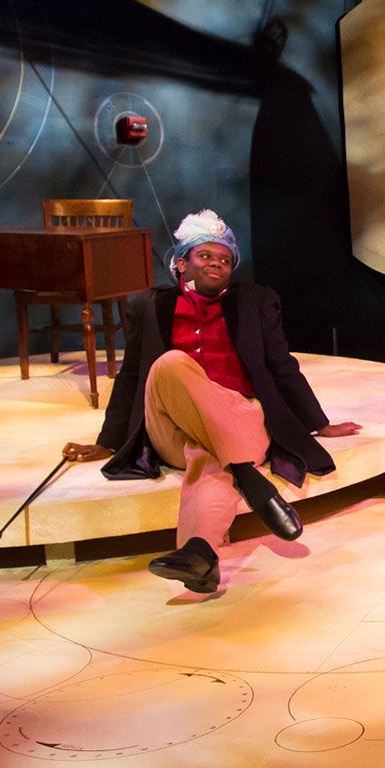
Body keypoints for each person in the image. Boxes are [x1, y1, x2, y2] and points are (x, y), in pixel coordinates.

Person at [62, 210, 360, 594]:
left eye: (224, 259)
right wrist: (107, 440)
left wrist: (319, 422)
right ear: (181, 263)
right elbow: (133, 375)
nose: (217, 263)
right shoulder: (149, 306)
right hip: (173, 426)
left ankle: (199, 554)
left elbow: (280, 365)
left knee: (209, 462)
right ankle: (250, 478)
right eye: (205, 256)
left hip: (241, 417)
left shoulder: (255, 301)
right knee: (169, 364)